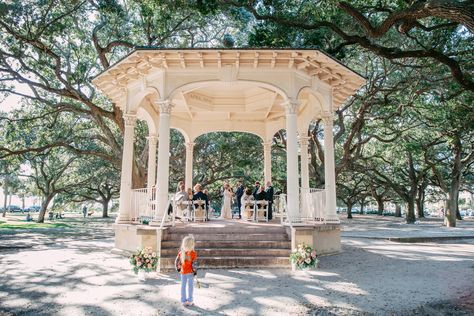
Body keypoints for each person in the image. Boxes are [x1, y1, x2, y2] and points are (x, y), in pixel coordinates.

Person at [174, 235, 198, 306]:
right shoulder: (193, 253)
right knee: (190, 287)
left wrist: (178, 269)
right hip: (190, 273)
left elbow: (176, 262)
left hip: (183, 272)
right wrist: (195, 273)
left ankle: (183, 301)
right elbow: (195, 264)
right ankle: (190, 301)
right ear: (192, 244)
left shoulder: (181, 253)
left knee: (183, 286)